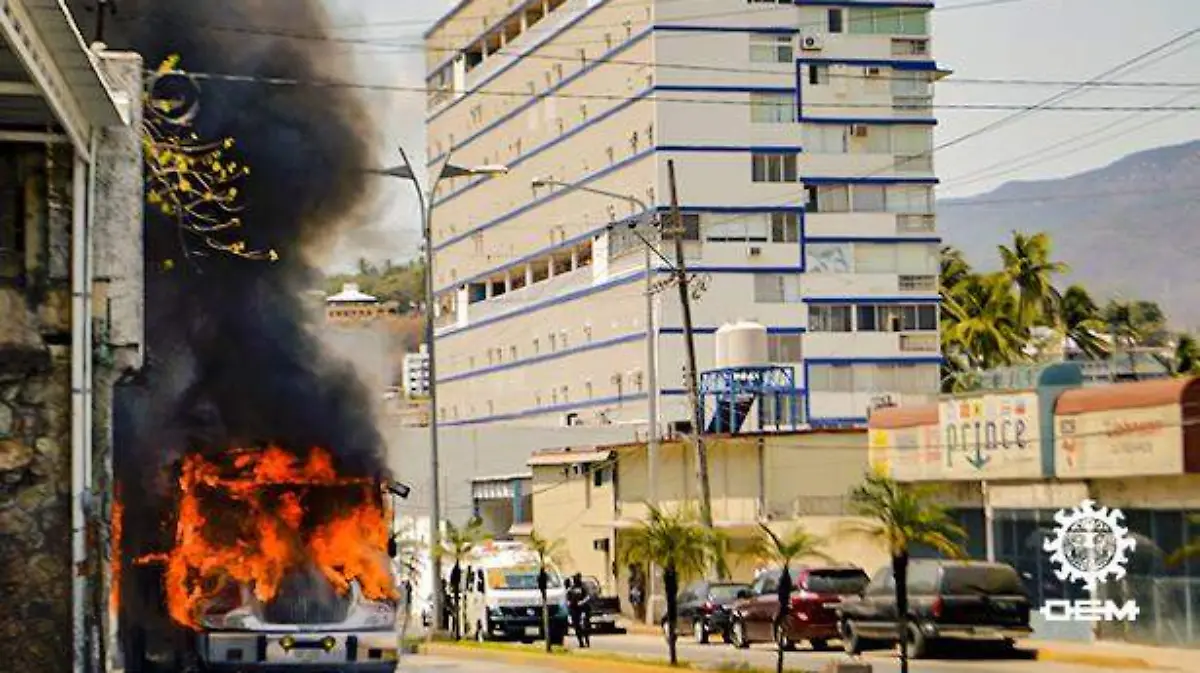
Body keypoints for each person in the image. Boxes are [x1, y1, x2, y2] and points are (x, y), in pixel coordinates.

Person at [566, 572, 592, 648]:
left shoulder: (583, 587)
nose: (576, 580)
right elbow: (567, 598)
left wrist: (582, 602)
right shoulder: (571, 588)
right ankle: (581, 642)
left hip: (583, 608)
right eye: (575, 578)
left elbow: (588, 596)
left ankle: (587, 640)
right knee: (577, 626)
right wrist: (569, 602)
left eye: (577, 578)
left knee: (585, 625)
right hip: (574, 608)